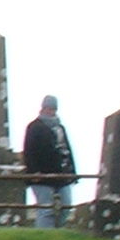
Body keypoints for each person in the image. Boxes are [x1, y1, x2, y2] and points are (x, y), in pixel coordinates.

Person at [22, 95, 77, 228]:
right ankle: (43, 234)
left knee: (66, 206)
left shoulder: (60, 128)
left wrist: (73, 172)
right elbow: (29, 151)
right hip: (42, 176)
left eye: (53, 108)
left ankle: (56, 231)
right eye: (48, 108)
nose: (51, 111)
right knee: (45, 209)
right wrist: (34, 172)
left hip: (62, 175)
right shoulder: (34, 127)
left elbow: (67, 149)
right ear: (43, 108)